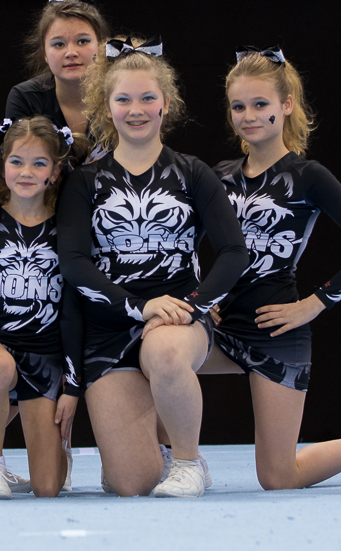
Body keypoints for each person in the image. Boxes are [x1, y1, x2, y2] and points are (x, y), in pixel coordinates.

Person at [56, 37, 248, 497]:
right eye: (123, 99)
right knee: (132, 483)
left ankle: (187, 462)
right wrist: (138, 306)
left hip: (177, 324)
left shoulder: (192, 172)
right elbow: (74, 263)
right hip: (109, 331)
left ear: (166, 103)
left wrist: (193, 306)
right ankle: (149, 449)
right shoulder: (86, 181)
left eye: (147, 98)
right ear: (106, 107)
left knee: (163, 351)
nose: (136, 109)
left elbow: (233, 252)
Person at [201, 46, 341, 490]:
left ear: (286, 105)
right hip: (219, 328)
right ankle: (179, 460)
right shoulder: (219, 176)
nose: (248, 116)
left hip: (276, 330)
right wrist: (200, 296)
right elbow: (179, 243)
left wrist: (314, 303)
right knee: (152, 355)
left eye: (260, 104)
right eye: (238, 107)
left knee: (278, 477)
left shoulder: (308, 176)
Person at [0, 117, 87, 499]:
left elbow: (73, 311)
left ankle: (55, 455)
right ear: (2, 165)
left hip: (45, 356)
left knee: (48, 488)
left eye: (38, 163)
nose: (26, 172)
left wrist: (73, 385)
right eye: (16, 161)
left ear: (55, 171)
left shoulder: (68, 233)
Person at [5, 0, 110, 136]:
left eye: (82, 41)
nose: (71, 52)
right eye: (59, 44)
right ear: (45, 54)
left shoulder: (120, 92)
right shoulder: (25, 98)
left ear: (101, 46)